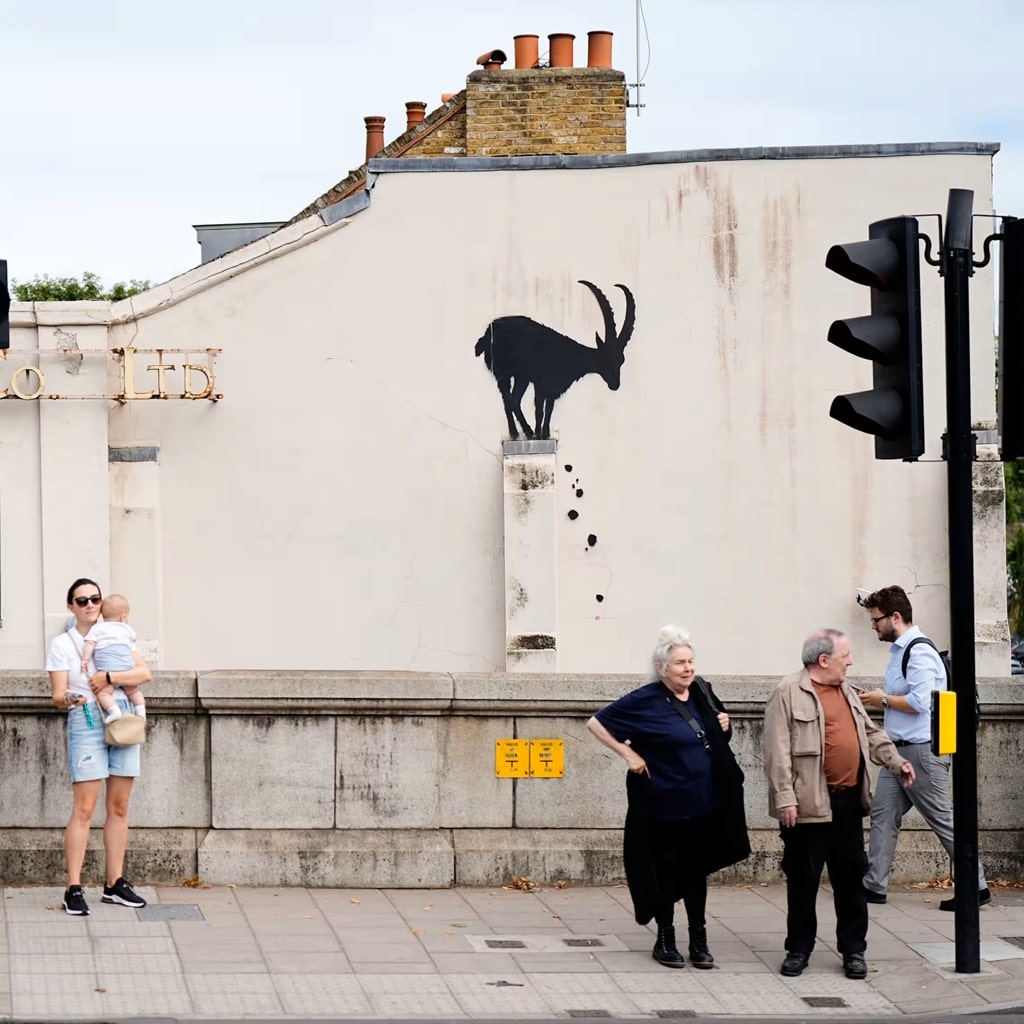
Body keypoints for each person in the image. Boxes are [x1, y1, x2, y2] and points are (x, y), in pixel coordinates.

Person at [587, 625, 749, 969]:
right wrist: (628, 755)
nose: (688, 668)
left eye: (690, 661)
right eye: (680, 663)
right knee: (666, 872)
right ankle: (665, 939)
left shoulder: (702, 691)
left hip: (703, 803)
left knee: (696, 872)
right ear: (663, 668)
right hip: (663, 805)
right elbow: (596, 723)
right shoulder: (645, 699)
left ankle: (699, 940)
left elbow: (719, 738)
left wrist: (726, 724)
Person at [764, 629, 915, 980]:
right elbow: (777, 753)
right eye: (845, 655)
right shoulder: (788, 692)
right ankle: (798, 949)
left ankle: (854, 951)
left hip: (848, 803)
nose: (850, 661)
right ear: (823, 660)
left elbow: (871, 734)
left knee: (851, 881)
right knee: (803, 882)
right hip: (807, 806)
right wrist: (785, 798)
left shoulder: (847, 691)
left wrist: (896, 761)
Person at [859, 585, 989, 910]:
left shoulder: (919, 652)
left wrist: (882, 699)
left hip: (922, 752)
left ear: (896, 617)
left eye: (876, 620)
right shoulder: (902, 652)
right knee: (883, 815)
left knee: (944, 819)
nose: (873, 626)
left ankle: (977, 886)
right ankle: (873, 885)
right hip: (898, 751)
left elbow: (920, 702)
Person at [47, 577, 152, 917]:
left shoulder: (119, 632)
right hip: (87, 719)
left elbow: (143, 673)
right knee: (85, 808)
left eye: (95, 598)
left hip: (122, 716)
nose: (90, 604)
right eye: (82, 600)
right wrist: (70, 698)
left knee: (119, 806)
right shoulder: (64, 644)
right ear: (71, 606)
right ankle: (73, 887)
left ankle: (114, 883)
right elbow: (57, 694)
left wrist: (108, 679)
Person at [80, 594, 146, 725]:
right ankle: (141, 712)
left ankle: (114, 711)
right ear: (123, 617)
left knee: (103, 693)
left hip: (107, 669)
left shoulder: (97, 628)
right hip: (127, 668)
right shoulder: (127, 629)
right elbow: (131, 642)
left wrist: (85, 659)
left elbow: (90, 644)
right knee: (134, 691)